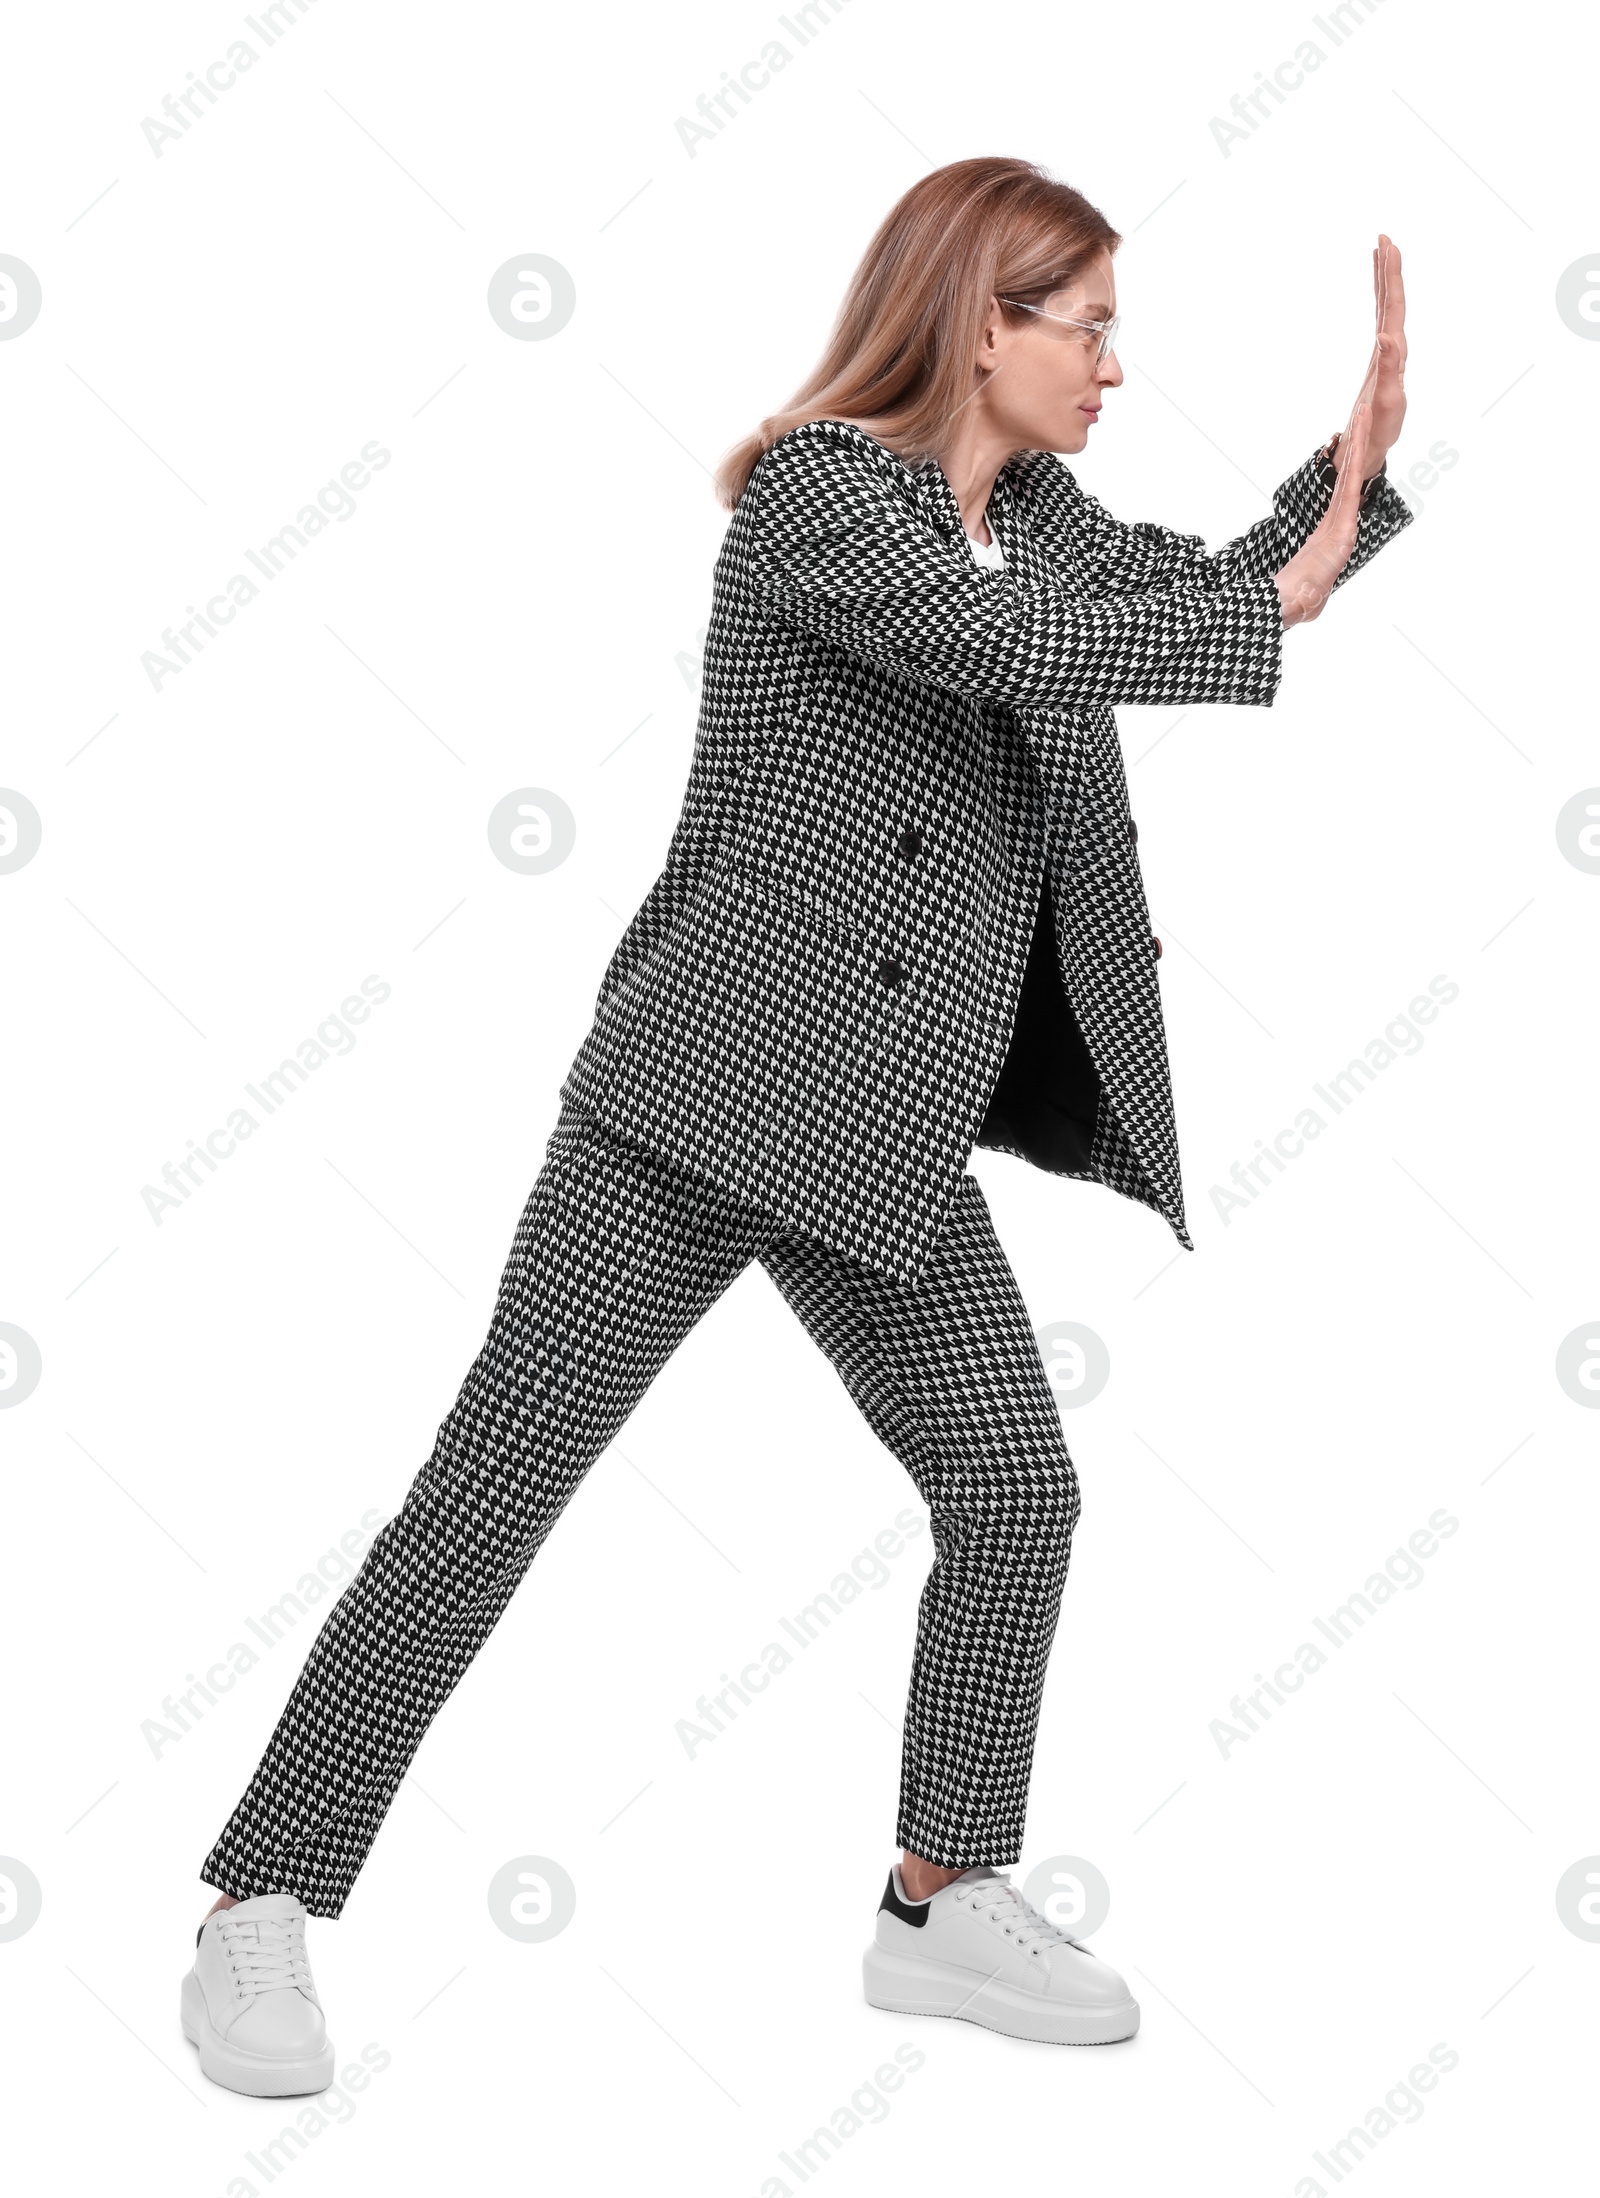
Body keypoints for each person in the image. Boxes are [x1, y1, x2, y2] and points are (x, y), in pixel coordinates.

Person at [180, 156, 1412, 2093]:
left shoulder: (1037, 518)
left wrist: (1338, 496)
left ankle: (938, 1898)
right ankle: (261, 1901)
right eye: (1080, 327)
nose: (1109, 367)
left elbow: (1170, 602)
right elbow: (1005, 652)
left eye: (1110, 331)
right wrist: (1272, 593)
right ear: (972, 321)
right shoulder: (825, 497)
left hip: (880, 1132)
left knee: (1012, 1482)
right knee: (486, 1498)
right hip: (698, 1099)